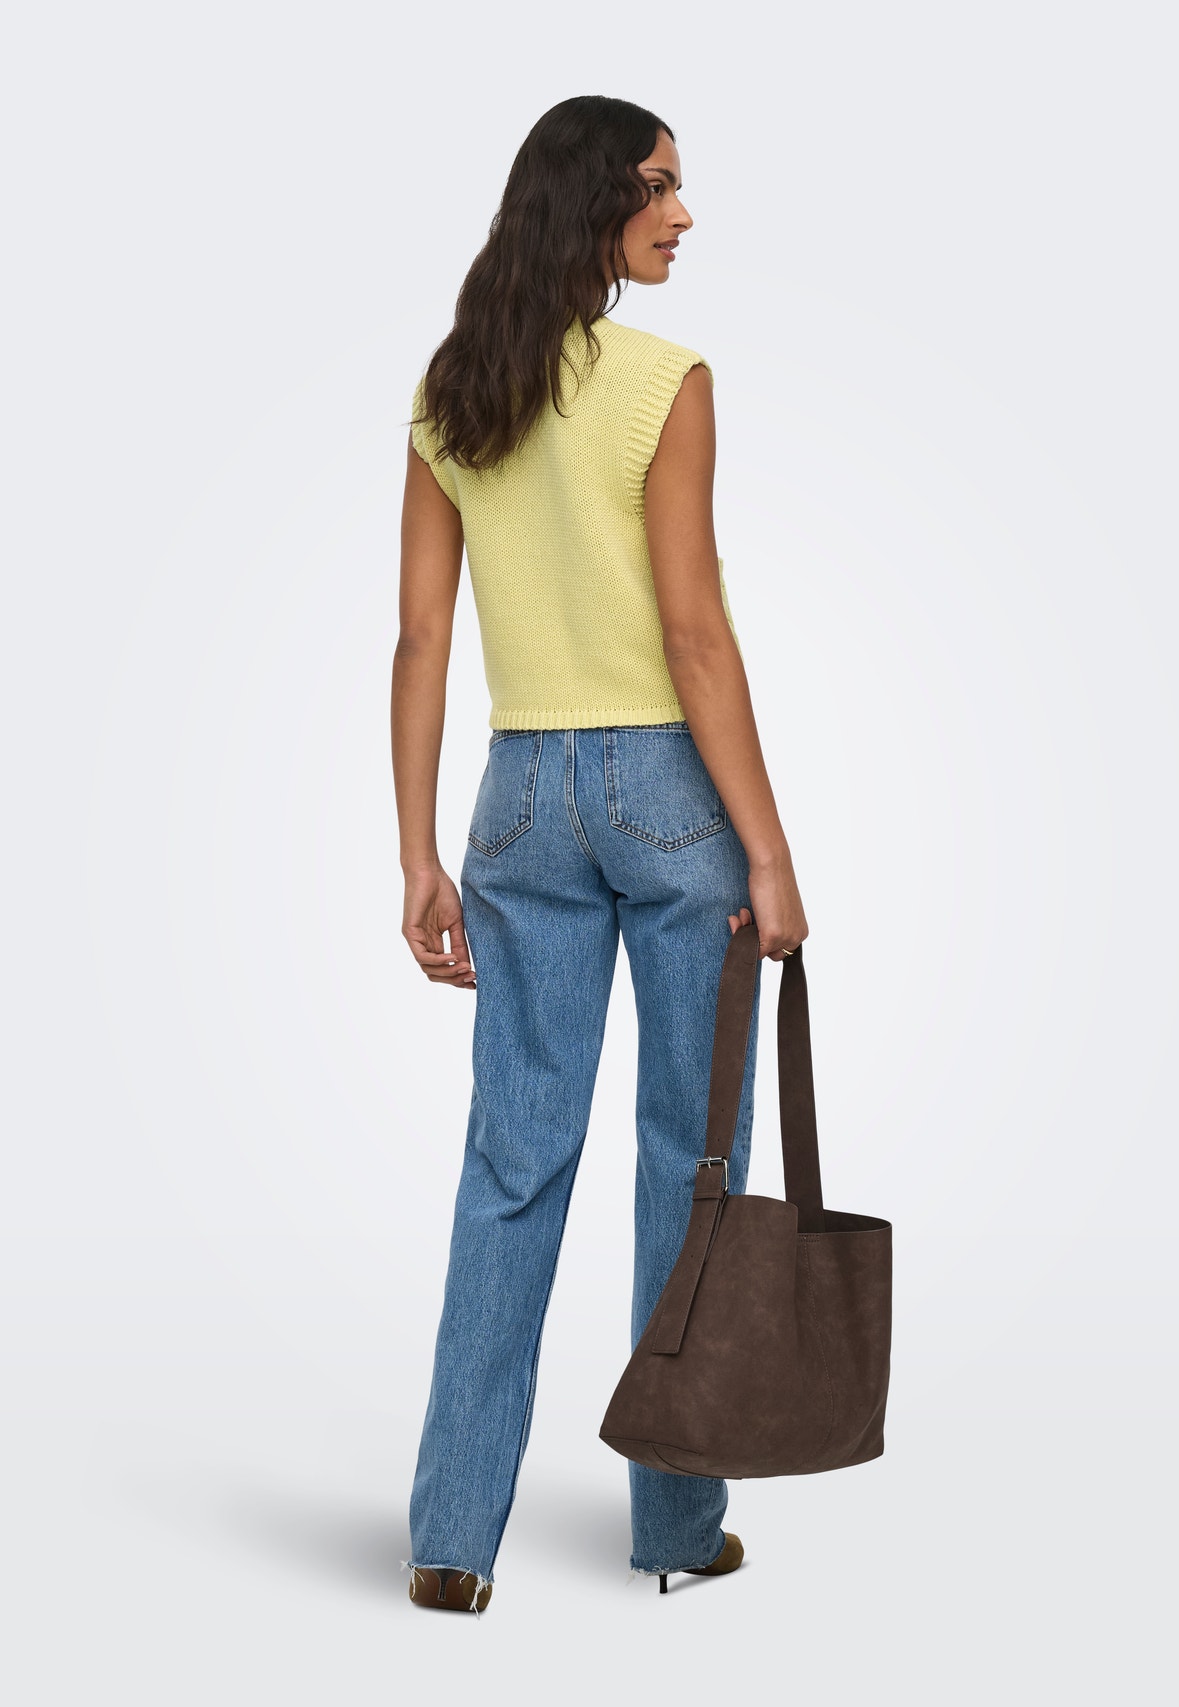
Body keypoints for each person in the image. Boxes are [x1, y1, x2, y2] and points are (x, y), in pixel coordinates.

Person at [391, 94, 808, 1615]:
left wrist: (418, 855)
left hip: (515, 797)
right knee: (691, 1163)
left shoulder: (456, 390)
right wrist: (769, 852)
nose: (683, 214)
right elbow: (695, 637)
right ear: (594, 200)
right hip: (664, 791)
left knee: (513, 1158)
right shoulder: (661, 382)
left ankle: (451, 1540)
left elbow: (422, 637)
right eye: (660, 186)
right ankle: (679, 1528)